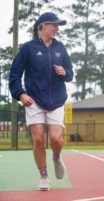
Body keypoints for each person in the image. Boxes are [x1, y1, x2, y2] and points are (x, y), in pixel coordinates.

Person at [9, 12, 73, 191]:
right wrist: (20, 94)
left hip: (57, 99)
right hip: (34, 100)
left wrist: (65, 72)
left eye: (58, 25)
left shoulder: (60, 48)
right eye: (54, 25)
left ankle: (56, 157)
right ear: (44, 25)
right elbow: (14, 74)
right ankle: (44, 176)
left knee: (55, 139)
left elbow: (70, 72)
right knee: (38, 140)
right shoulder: (28, 48)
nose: (57, 28)